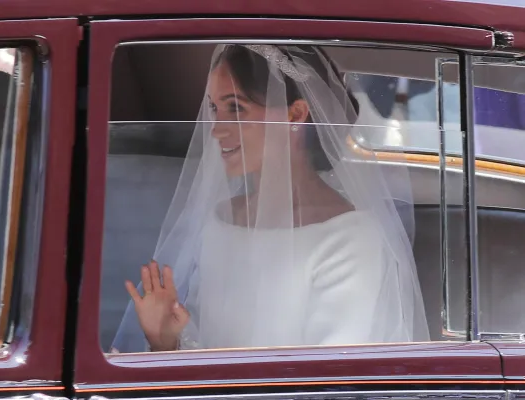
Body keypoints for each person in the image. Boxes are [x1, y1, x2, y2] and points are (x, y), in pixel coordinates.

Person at [111, 44, 429, 352]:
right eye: (214, 108)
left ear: (295, 114)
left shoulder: (352, 238)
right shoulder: (219, 220)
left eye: (236, 108)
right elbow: (200, 348)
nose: (216, 129)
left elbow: (335, 373)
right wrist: (166, 342)